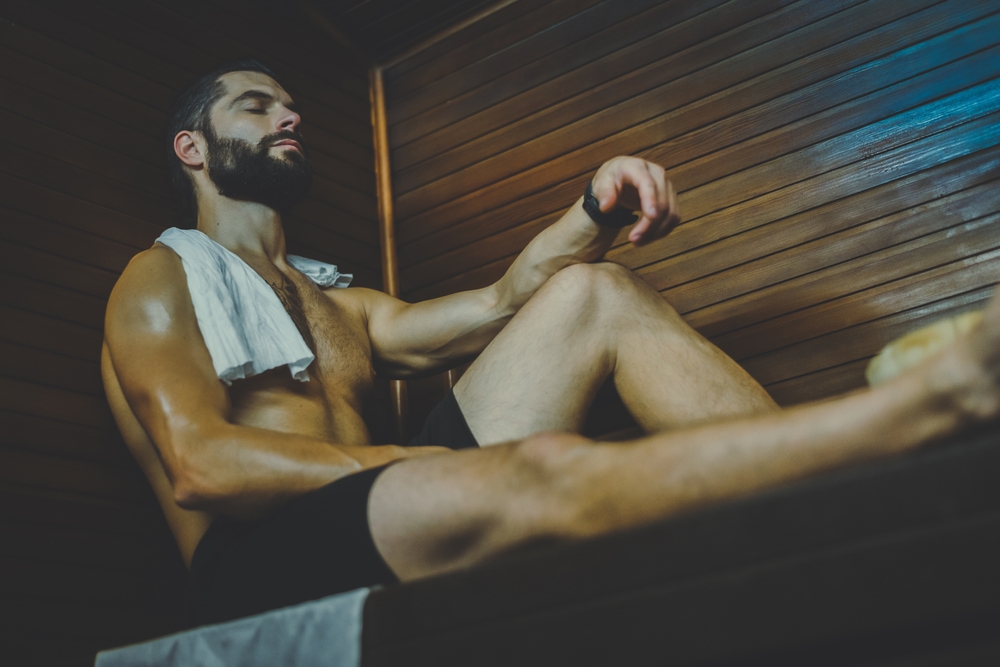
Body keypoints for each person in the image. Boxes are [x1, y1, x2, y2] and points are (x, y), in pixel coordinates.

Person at [101, 60, 1000, 626]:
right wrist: (414, 469)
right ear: (194, 146)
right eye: (257, 108)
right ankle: (913, 420)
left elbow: (502, 304)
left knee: (592, 293)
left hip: (389, 498)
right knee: (543, 468)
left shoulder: (343, 303)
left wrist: (592, 205)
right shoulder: (158, 277)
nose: (287, 118)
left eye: (292, 107)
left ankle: (858, 497)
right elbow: (200, 465)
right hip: (260, 561)